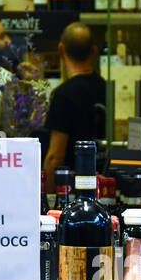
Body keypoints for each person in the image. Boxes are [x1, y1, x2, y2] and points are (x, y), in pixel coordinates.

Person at [42, 22, 106, 186]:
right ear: (94, 50)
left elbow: (55, 156)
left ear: (61, 48)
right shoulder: (105, 88)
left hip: (73, 186)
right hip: (102, 180)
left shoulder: (64, 94)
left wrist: (48, 198)